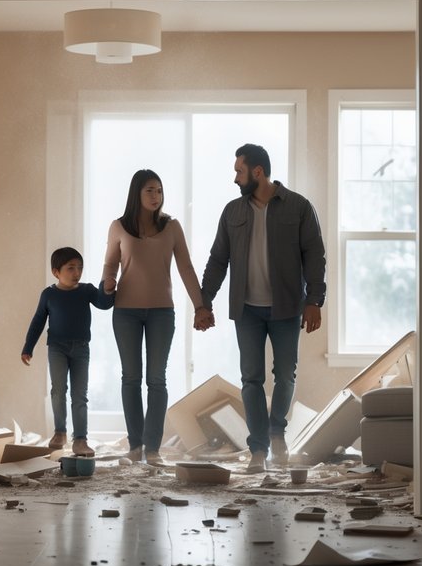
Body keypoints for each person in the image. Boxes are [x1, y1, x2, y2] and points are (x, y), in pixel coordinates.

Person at [198, 143, 326, 474]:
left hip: (286, 307)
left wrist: (314, 300)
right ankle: (258, 449)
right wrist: (203, 302)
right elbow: (217, 260)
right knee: (251, 379)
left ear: (257, 172)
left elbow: (314, 255)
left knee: (285, 375)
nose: (235, 178)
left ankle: (276, 433)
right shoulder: (232, 212)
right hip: (247, 310)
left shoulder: (298, 207)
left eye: (239, 171)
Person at [102, 170, 209, 466]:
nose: (155, 196)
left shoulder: (171, 227)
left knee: (157, 379)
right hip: (125, 313)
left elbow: (186, 268)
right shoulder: (118, 227)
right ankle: (135, 446)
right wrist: (108, 282)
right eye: (150, 190)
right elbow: (109, 265)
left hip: (162, 312)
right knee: (131, 378)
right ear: (137, 193)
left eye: (159, 191)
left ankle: (153, 449)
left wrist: (201, 306)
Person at [21, 247, 115, 457]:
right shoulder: (48, 294)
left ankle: (80, 439)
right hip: (57, 349)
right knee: (58, 390)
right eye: (71, 268)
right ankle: (60, 432)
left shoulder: (87, 290)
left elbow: (104, 303)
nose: (76, 272)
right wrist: (28, 348)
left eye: (79, 268)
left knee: (80, 395)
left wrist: (107, 289)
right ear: (56, 272)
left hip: (81, 349)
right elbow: (37, 322)